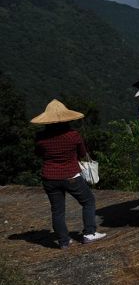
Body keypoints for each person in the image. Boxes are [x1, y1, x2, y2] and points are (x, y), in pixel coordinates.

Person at [32, 99, 107, 249]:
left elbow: (39, 154)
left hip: (49, 177)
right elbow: (82, 153)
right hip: (70, 175)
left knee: (57, 210)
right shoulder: (73, 135)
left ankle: (63, 241)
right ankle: (89, 233)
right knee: (88, 201)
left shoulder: (41, 138)